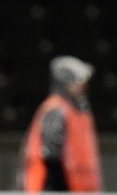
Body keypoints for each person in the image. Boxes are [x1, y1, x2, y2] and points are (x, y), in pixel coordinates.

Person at [16, 55, 102, 192]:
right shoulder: (56, 110)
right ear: (65, 82)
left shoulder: (78, 111)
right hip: (55, 187)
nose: (82, 87)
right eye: (78, 82)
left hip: (78, 187)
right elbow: (51, 158)